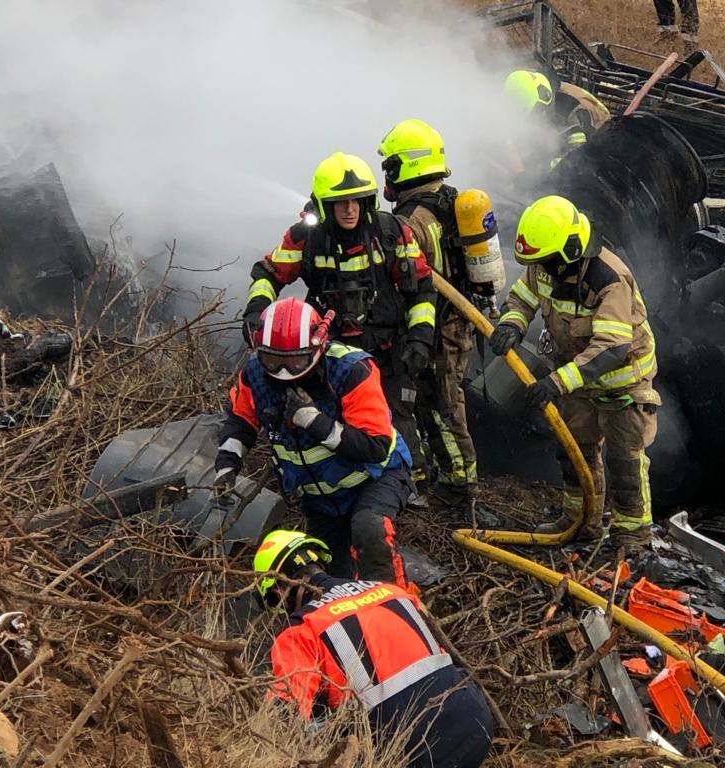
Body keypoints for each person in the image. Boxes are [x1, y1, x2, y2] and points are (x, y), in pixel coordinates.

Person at [243, 152, 436, 497]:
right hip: (326, 356)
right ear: (324, 204)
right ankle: (328, 487)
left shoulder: (390, 233)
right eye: (340, 202)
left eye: (357, 201)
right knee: (323, 420)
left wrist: (421, 336)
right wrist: (256, 311)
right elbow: (268, 273)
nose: (350, 209)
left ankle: (408, 490)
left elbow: (421, 285)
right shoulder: (305, 237)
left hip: (387, 348)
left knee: (398, 418)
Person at [489, 195, 660, 548]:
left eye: (545, 261)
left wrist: (556, 382)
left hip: (623, 383)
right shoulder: (544, 264)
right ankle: (581, 522)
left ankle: (632, 534)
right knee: (573, 452)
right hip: (576, 380)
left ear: (569, 249)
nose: (539, 269)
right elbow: (522, 298)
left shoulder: (608, 280)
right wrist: (511, 325)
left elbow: (611, 348)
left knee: (624, 461)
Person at [255, 529, 494, 768]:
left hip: (412, 755)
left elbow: (281, 720)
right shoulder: (392, 592)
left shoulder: (302, 629)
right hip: (475, 724)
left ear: (278, 591)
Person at [215, 296, 411, 586]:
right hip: (319, 495)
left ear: (317, 348)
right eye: (273, 360)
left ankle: (397, 606)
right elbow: (241, 423)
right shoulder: (254, 374)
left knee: (370, 530)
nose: (283, 371)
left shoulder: (351, 370)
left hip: (377, 476)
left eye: (294, 361)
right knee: (332, 575)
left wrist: (316, 423)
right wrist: (226, 467)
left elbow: (375, 446)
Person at [377, 119, 483, 504]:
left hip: (435, 326)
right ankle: (442, 475)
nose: (386, 176)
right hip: (454, 321)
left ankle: (459, 487)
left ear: (407, 166)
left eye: (390, 166)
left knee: (442, 404)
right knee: (437, 400)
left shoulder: (411, 220)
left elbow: (406, 281)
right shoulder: (449, 200)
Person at [502, 69, 611, 169]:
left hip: (598, 130)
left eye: (536, 113)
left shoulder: (574, 109)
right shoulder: (531, 87)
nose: (534, 119)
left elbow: (578, 159)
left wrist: (542, 167)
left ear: (546, 101)